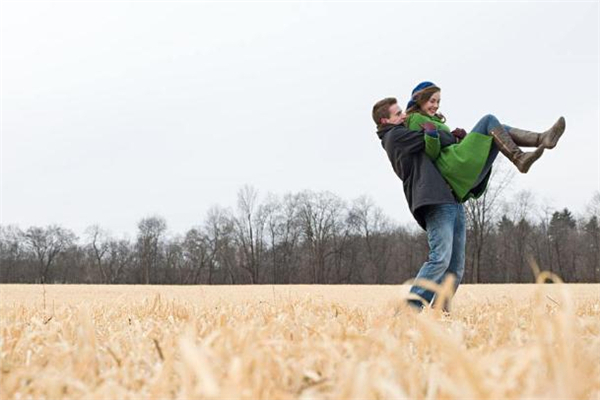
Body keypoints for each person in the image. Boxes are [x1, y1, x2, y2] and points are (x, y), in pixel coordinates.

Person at [372, 97, 466, 311]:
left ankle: (440, 315)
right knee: (440, 260)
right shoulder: (394, 137)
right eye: (397, 114)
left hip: (452, 199)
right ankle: (408, 311)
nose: (403, 115)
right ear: (385, 121)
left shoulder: (399, 130)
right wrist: (451, 136)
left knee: (456, 268)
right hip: (434, 200)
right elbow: (430, 137)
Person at [404, 81, 566, 202]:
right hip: (452, 168)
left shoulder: (431, 119)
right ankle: (521, 156)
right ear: (420, 100)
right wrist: (435, 135)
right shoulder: (415, 118)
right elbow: (430, 153)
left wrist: (458, 139)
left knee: (497, 130)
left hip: (460, 173)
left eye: (438, 101)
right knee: (489, 120)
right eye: (432, 101)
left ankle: (541, 140)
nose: (436, 105)